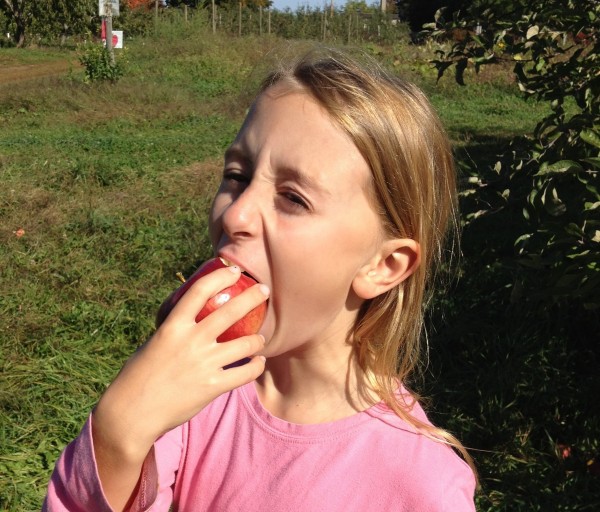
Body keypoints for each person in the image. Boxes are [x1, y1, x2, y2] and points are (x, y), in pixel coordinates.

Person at [44, 47, 477, 511]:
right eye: (238, 174)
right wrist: (116, 438)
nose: (237, 213)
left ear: (382, 266)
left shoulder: (418, 484)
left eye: (293, 198)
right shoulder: (196, 390)